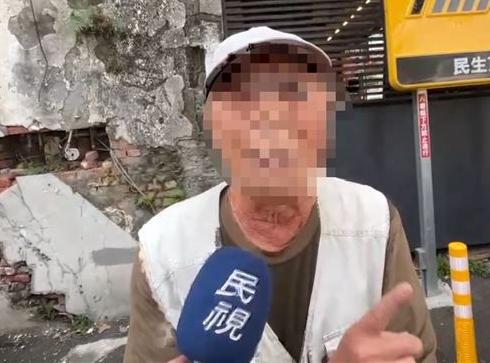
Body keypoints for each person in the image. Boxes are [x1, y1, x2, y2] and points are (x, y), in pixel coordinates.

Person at [123, 27, 437, 363]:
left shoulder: (372, 220)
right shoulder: (164, 249)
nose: (272, 117)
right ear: (209, 127)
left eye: (295, 93)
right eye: (243, 97)